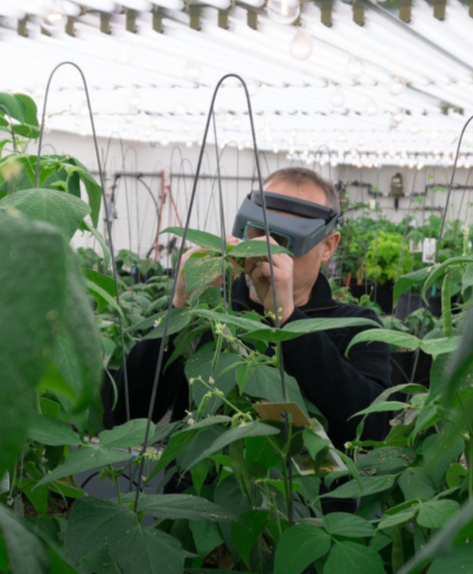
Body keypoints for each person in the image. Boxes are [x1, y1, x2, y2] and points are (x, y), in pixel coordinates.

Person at [104, 167, 392, 451]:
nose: (265, 248)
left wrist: (287, 319)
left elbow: (373, 428)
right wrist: (181, 309)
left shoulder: (355, 326)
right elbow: (120, 418)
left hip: (309, 496)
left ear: (328, 246)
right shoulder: (211, 315)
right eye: (257, 232)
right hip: (201, 492)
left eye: (284, 241)